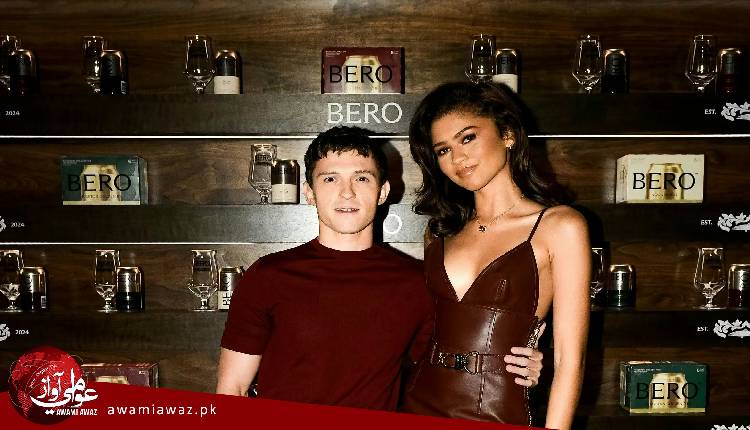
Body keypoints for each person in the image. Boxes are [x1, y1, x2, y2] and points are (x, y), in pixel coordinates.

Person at [216, 126, 543, 412]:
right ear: (310, 193)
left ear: (383, 191)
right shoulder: (268, 276)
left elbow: (449, 368)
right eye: (330, 178)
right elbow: (233, 389)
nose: (347, 192)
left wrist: (516, 366)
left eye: (362, 178)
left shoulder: (418, 282)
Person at [401, 82, 589, 430]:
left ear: (507, 134)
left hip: (497, 408)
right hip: (419, 401)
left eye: (468, 138)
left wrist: (539, 363)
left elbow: (570, 361)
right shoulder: (440, 232)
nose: (457, 158)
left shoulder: (560, 226)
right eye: (443, 150)